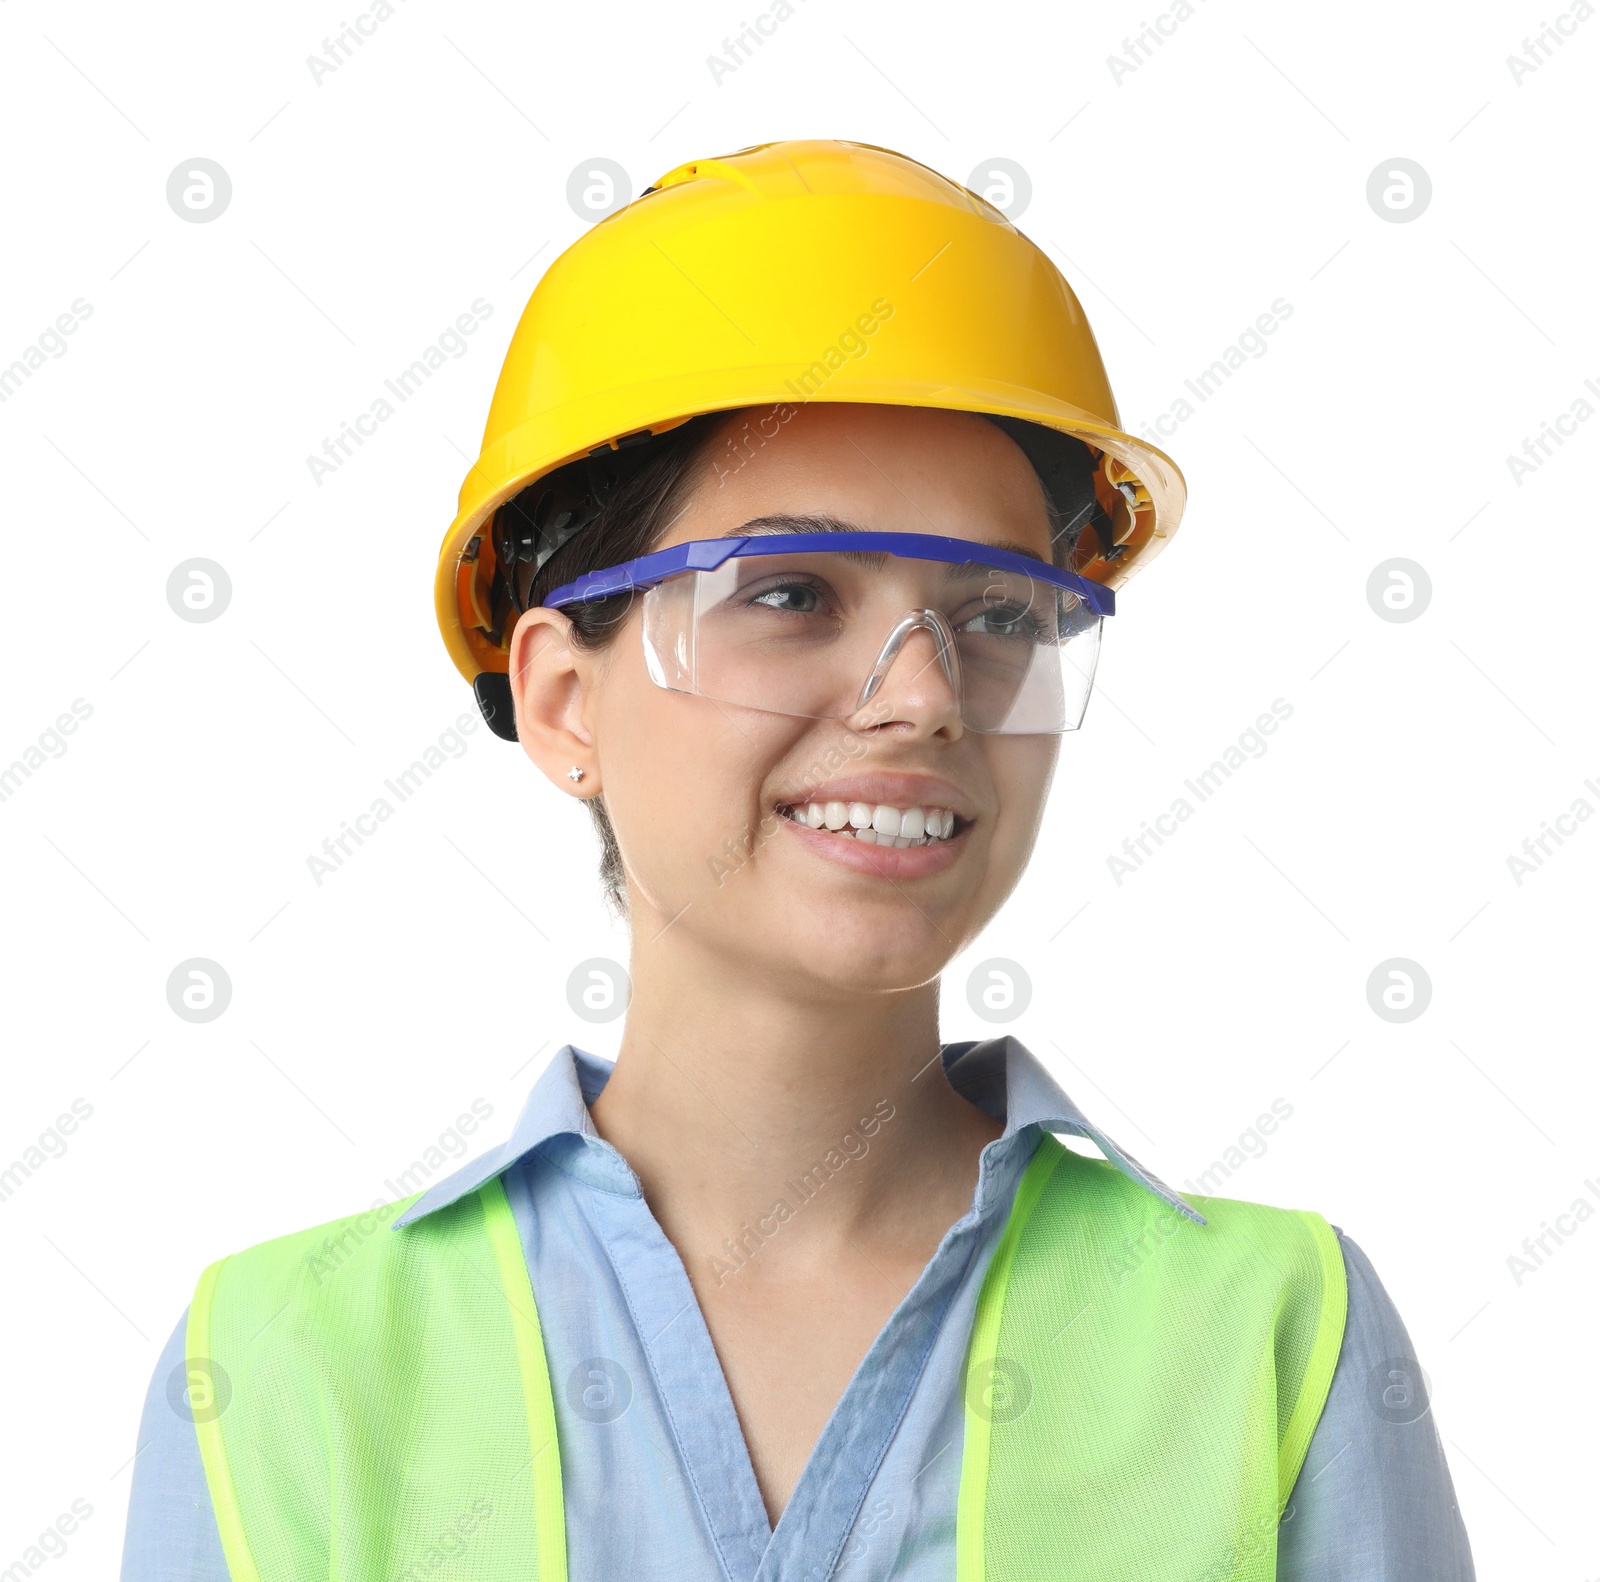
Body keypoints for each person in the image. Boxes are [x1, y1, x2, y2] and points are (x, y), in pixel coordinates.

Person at [120, 139, 1475, 1580]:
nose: (926, 693)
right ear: (561, 700)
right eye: (788, 593)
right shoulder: (280, 1371)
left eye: (1004, 612)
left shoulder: (1278, 1336)